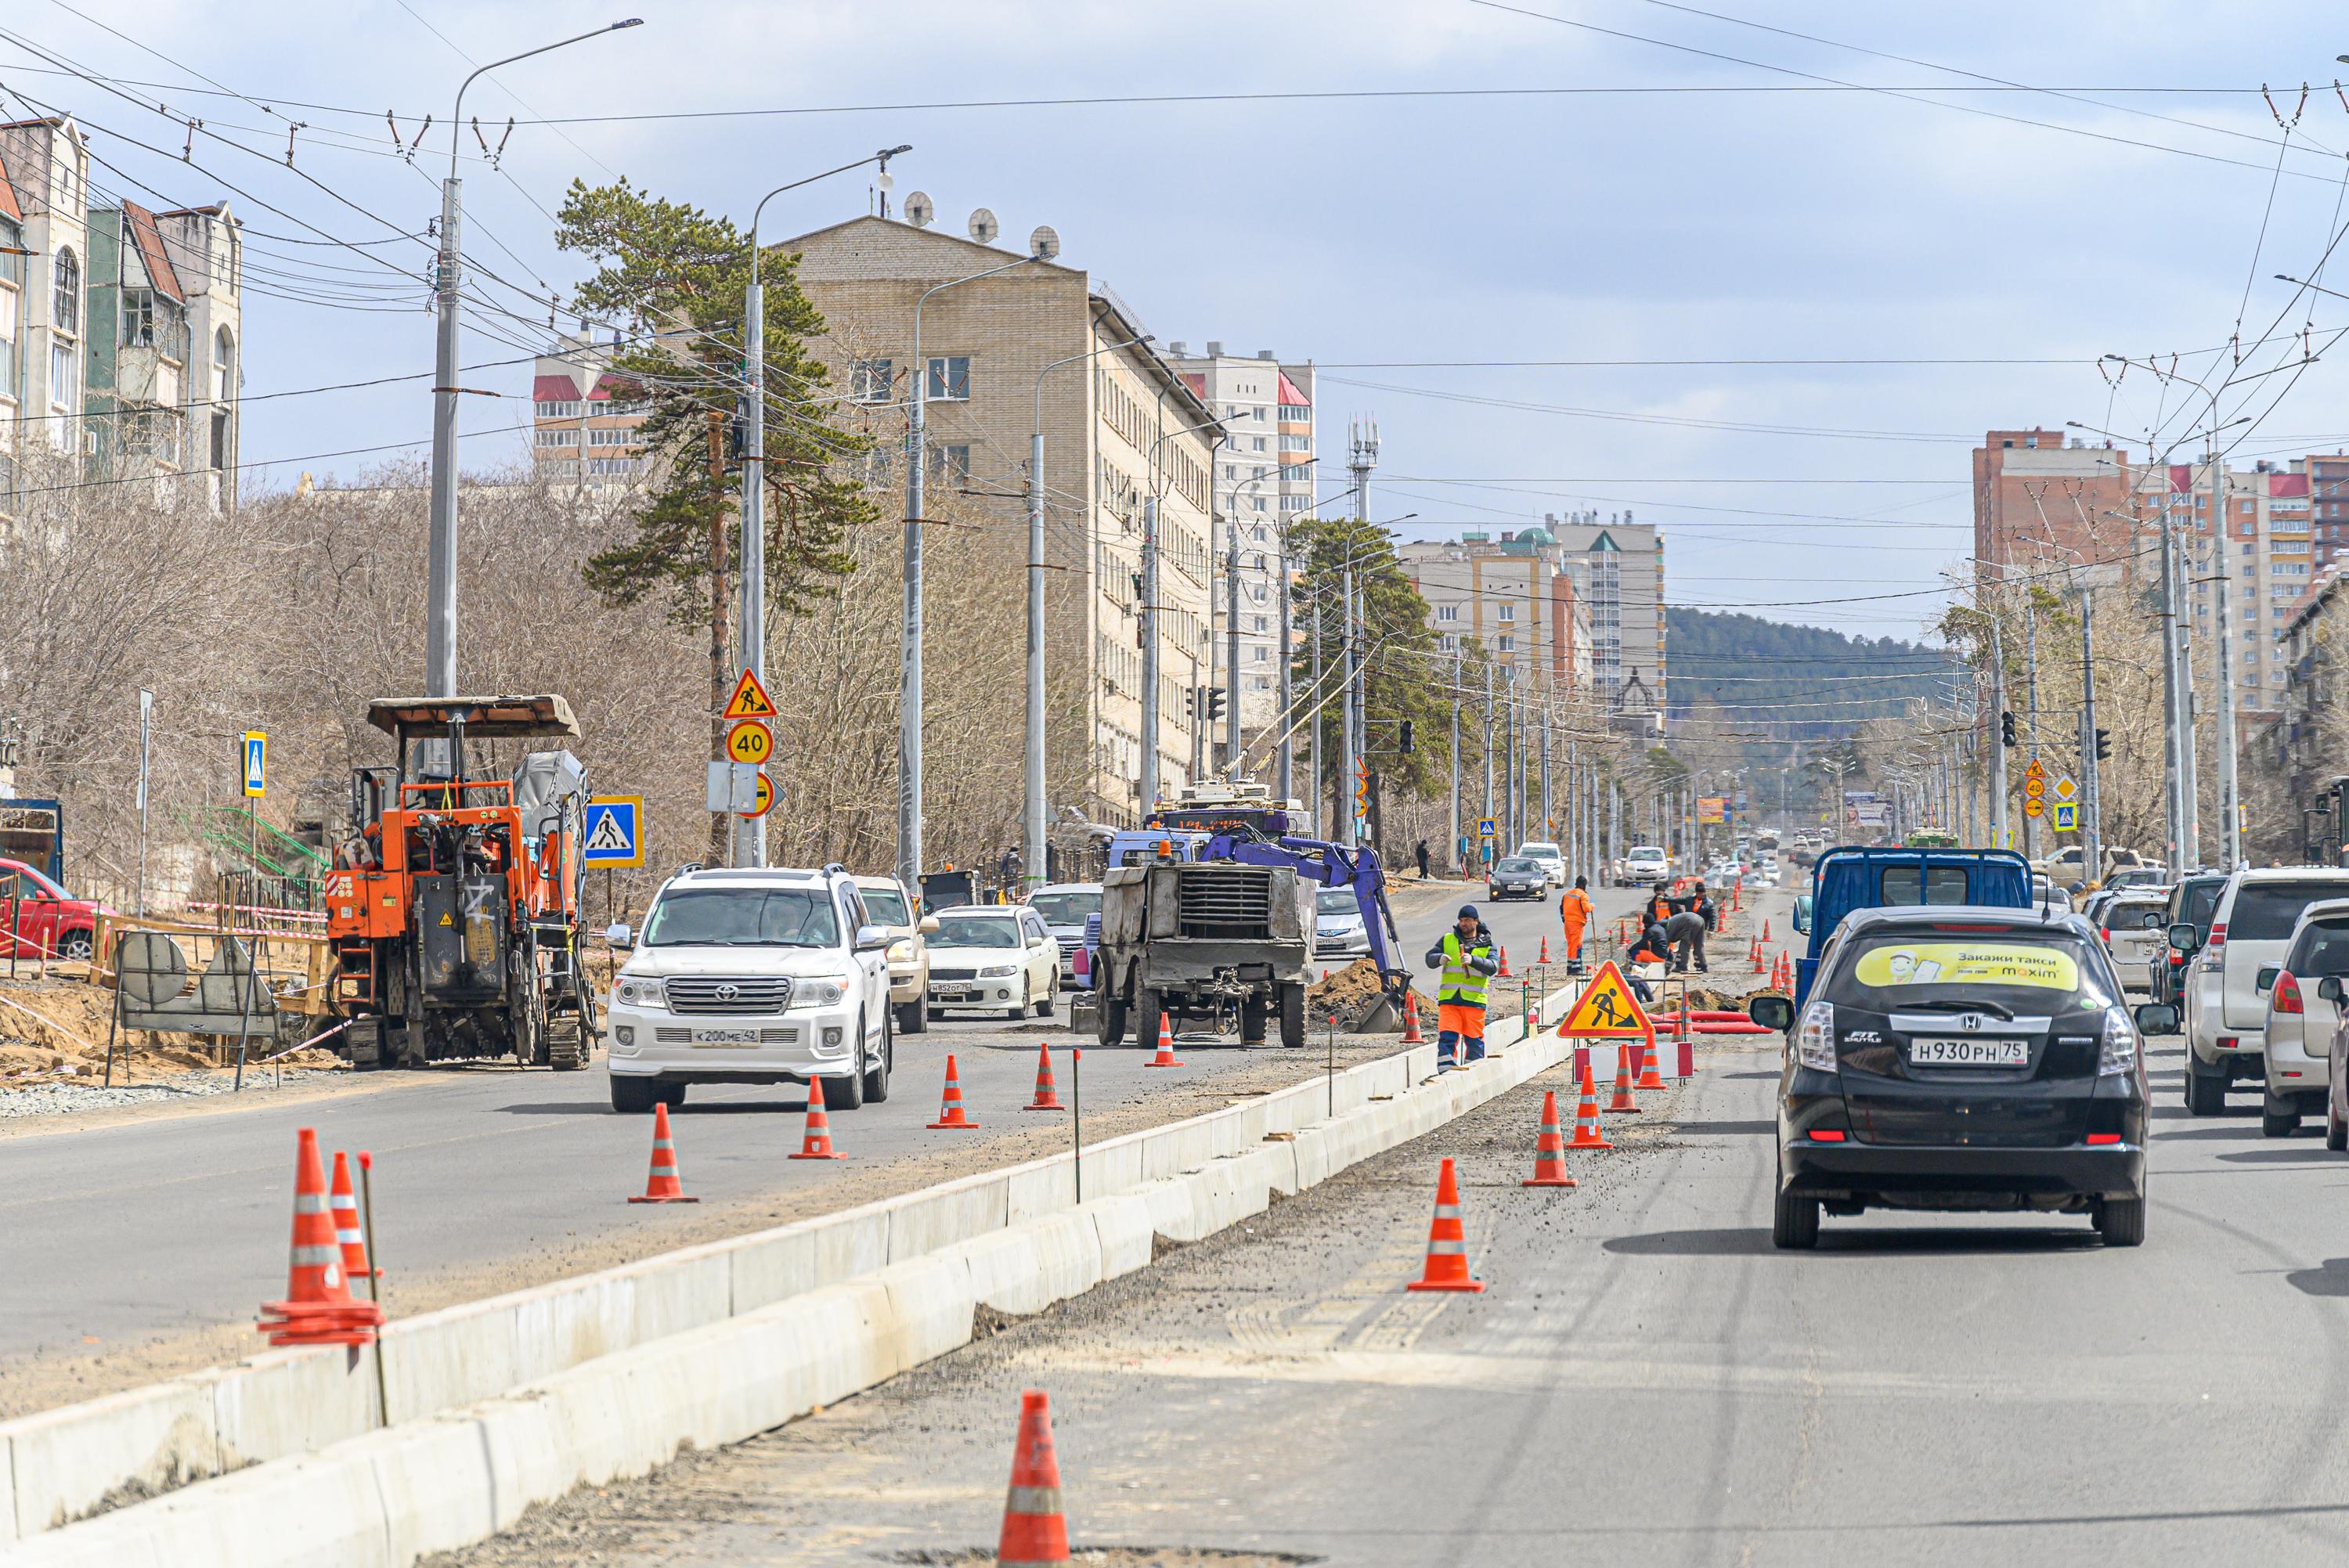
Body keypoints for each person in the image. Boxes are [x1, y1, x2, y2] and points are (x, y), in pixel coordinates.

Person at [1423, 904, 1499, 1074]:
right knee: (1447, 1038)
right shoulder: (1448, 940)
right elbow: (1429, 958)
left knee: (1474, 1040)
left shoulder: (1487, 945)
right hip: (1450, 1000)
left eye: (1466, 920)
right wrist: (1439, 959)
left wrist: (1473, 960)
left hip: (1474, 1001)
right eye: (1461, 920)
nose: (1463, 924)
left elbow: (1493, 967)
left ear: (1476, 921)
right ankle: (1446, 1075)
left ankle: (1474, 1074)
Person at [1626, 913, 1672, 1003]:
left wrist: (1630, 951)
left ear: (1646, 922)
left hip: (1658, 956)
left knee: (1636, 953)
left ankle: (1636, 972)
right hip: (1662, 954)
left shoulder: (1651, 931)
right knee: (1639, 952)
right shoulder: (1658, 927)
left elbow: (1643, 944)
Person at [1557, 874, 1594, 975]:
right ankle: (1576, 968)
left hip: (1568, 923)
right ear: (1584, 885)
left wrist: (1564, 919)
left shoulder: (1567, 894)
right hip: (1577, 923)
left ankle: (1570, 967)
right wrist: (1592, 906)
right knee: (1577, 945)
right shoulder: (1583, 895)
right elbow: (1586, 908)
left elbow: (1561, 908)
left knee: (1570, 945)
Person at [1666, 906, 1709, 973]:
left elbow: (1665, 944)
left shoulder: (1666, 929)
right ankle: (1703, 966)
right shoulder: (1670, 923)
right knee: (1699, 944)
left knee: (1685, 944)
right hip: (1700, 920)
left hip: (1689, 921)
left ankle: (1682, 966)